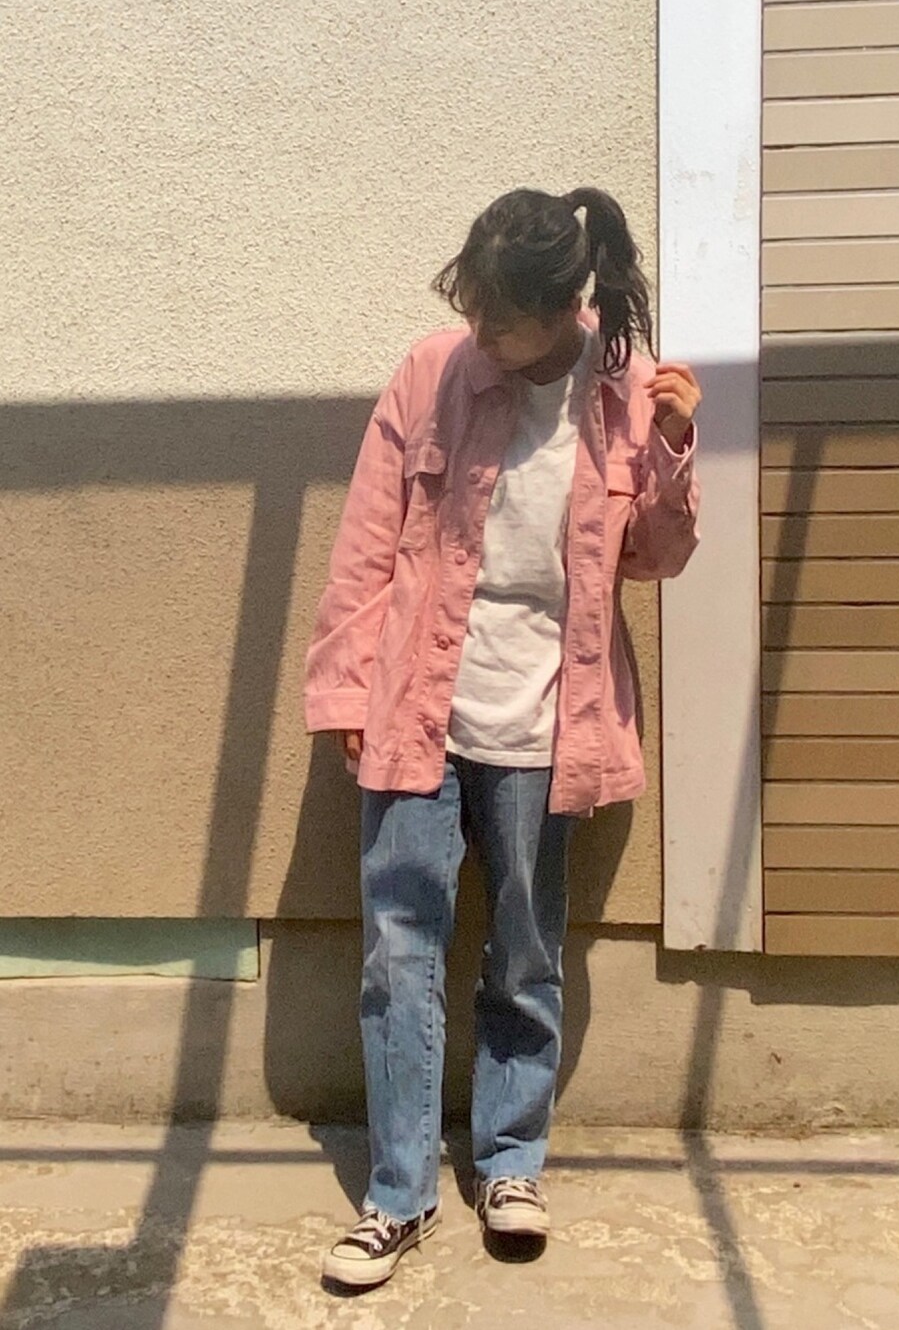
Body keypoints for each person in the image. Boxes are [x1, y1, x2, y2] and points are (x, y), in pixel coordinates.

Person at [304, 186, 702, 1288]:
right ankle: (397, 1193)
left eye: (500, 315)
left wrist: (674, 447)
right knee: (398, 949)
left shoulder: (626, 392)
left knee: (525, 951)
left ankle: (512, 1161)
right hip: (417, 707)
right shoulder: (430, 372)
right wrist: (346, 693)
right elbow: (367, 539)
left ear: (566, 306)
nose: (478, 329)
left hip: (547, 718)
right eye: (470, 305)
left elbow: (655, 558)